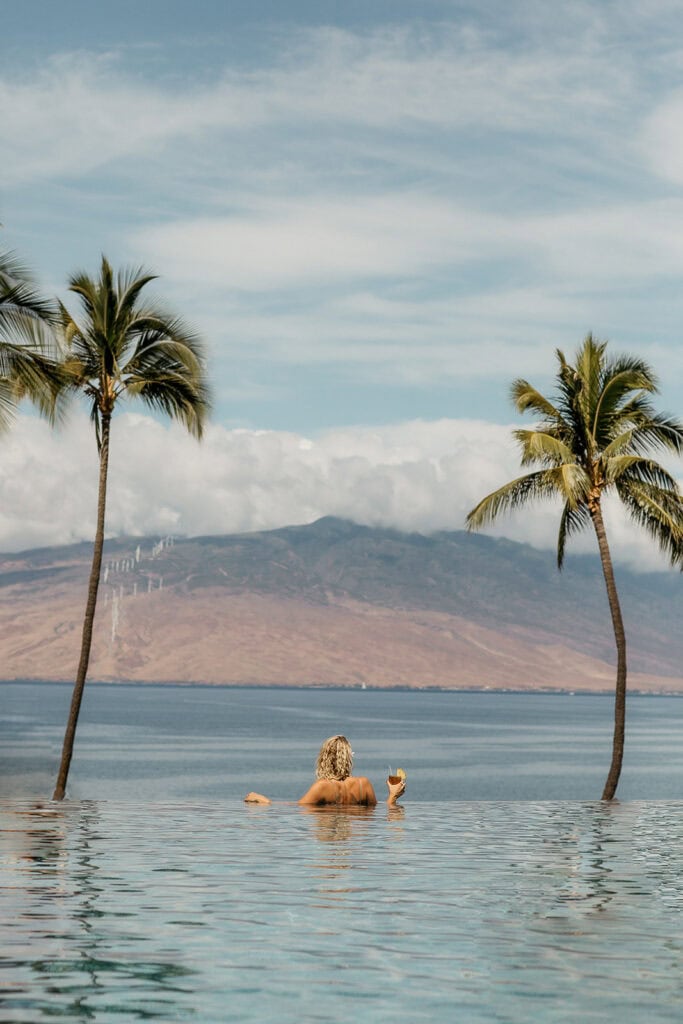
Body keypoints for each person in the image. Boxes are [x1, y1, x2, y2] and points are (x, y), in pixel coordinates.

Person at [244, 734, 406, 807]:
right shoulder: (363, 784)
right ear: (348, 758)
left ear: (324, 758)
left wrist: (265, 802)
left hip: (330, 836)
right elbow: (382, 811)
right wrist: (393, 796)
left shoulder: (322, 786)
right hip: (355, 843)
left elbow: (299, 808)